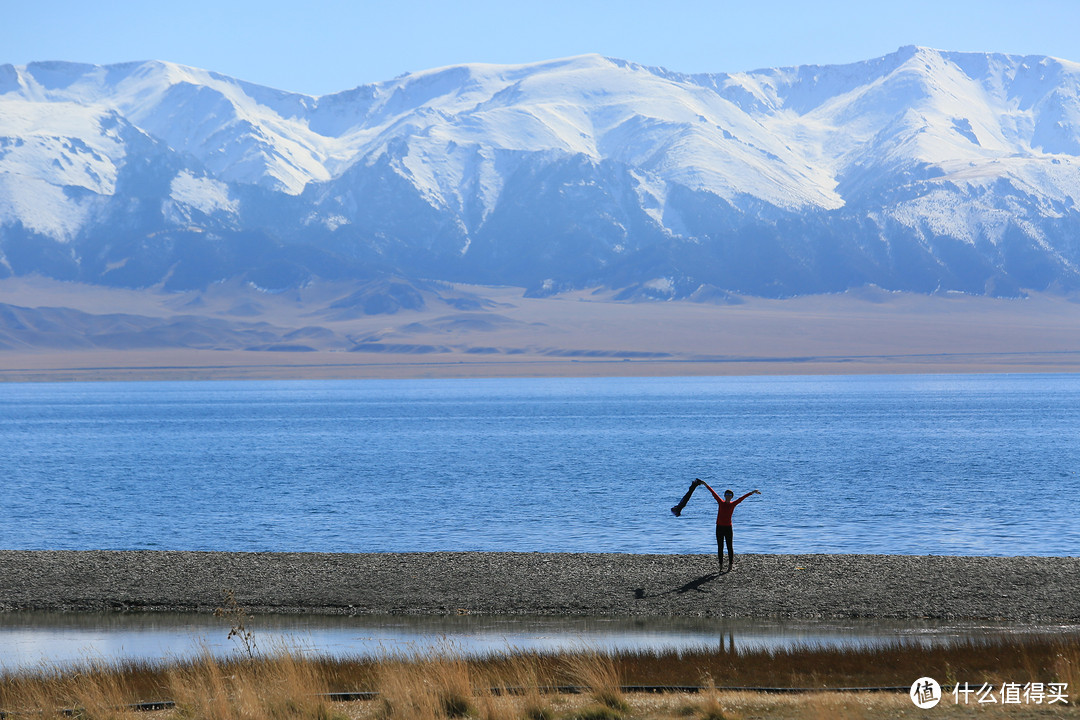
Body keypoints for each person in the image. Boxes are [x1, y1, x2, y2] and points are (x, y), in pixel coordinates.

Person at [700, 482, 760, 573]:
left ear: (732, 496)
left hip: (728, 528)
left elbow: (742, 498)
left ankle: (730, 564)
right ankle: (720, 565)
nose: (728, 496)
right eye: (726, 494)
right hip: (719, 527)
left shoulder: (733, 504)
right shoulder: (720, 502)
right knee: (720, 547)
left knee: (729, 547)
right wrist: (705, 484)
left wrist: (753, 492)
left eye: (730, 494)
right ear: (724, 495)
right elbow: (713, 492)